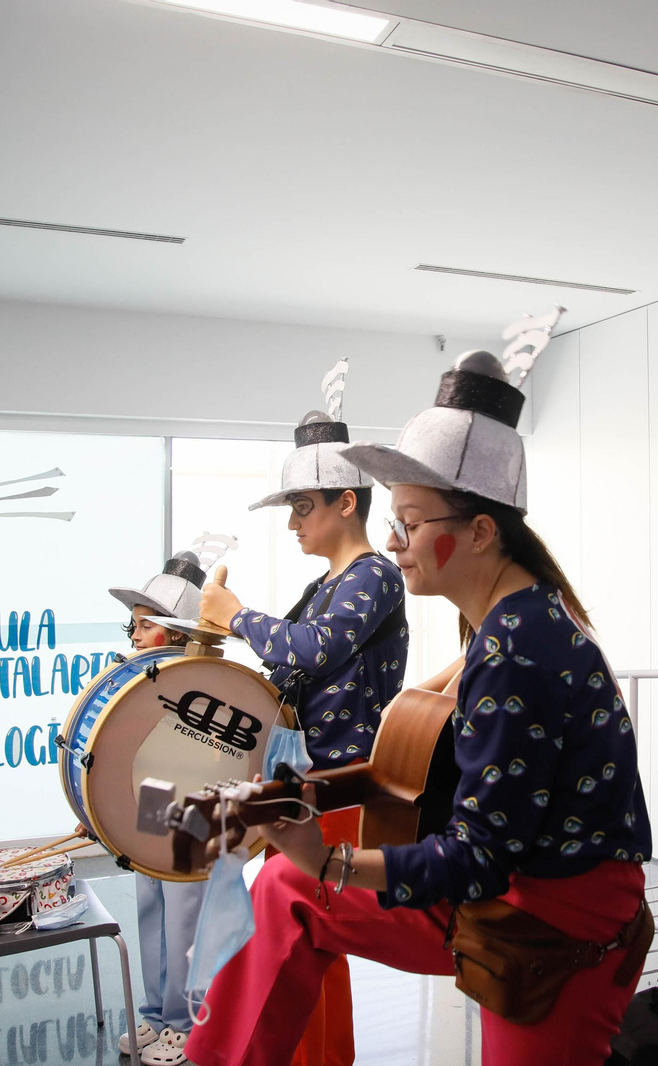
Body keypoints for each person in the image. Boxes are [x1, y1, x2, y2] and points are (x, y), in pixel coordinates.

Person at [184, 339, 653, 1066]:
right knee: (285, 887)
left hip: (551, 924)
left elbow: (479, 861)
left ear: (481, 533)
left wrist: (334, 864)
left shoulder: (514, 647)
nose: (396, 542)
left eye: (410, 523)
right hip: (547, 892)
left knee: (295, 886)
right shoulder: (519, 620)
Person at [197, 363, 409, 1066]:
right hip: (312, 777)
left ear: (346, 503)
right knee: (304, 932)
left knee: (310, 928)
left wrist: (235, 617)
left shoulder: (373, 574)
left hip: (342, 783)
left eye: (303, 506)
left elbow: (312, 651)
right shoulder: (330, 582)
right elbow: (290, 665)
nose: (293, 522)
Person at [107, 552, 210, 1064]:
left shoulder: (204, 678)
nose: (134, 633)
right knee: (151, 902)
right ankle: (155, 1014)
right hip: (148, 797)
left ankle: (186, 1024)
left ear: (173, 633)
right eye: (134, 624)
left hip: (190, 803)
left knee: (185, 912)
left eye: (145, 626)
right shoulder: (133, 676)